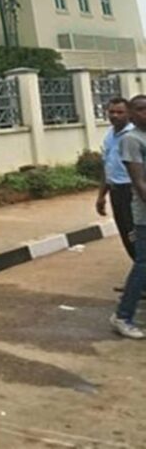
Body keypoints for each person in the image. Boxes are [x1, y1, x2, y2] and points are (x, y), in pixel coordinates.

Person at [112, 94, 146, 339]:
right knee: (143, 265)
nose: (145, 113)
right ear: (132, 115)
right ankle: (123, 316)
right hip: (144, 214)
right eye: (140, 109)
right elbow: (140, 183)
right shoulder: (131, 140)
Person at [96, 97, 135, 274]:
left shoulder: (134, 135)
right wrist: (101, 196)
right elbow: (107, 166)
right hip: (116, 190)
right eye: (112, 112)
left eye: (120, 112)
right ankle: (140, 277)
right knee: (126, 233)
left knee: (136, 234)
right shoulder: (109, 135)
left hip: (133, 190)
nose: (115, 115)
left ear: (129, 114)